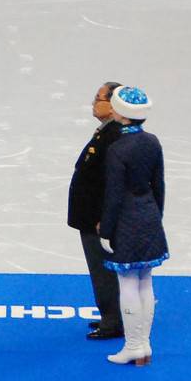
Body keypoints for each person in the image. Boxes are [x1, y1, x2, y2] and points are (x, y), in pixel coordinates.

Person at [97, 86, 165, 367]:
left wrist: (106, 230)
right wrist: (156, 216)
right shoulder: (153, 142)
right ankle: (145, 344)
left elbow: (113, 195)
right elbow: (159, 185)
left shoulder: (117, 149)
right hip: (149, 217)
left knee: (127, 283)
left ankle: (133, 345)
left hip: (125, 220)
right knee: (146, 281)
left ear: (120, 113)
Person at [68, 82, 127, 343]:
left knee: (103, 271)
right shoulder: (106, 132)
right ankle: (110, 315)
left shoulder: (115, 136)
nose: (94, 102)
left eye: (98, 98)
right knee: (100, 270)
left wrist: (106, 217)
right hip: (92, 217)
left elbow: (112, 182)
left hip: (99, 220)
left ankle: (113, 320)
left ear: (113, 104)